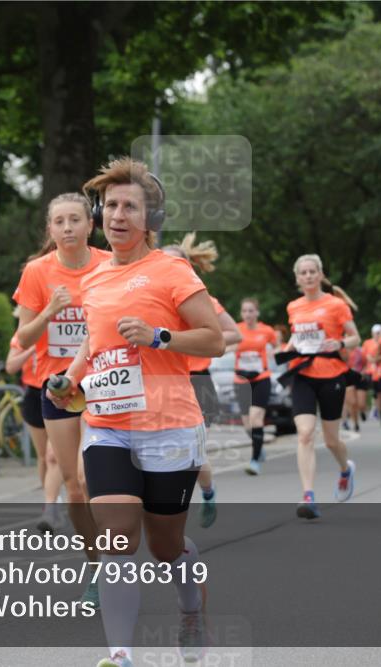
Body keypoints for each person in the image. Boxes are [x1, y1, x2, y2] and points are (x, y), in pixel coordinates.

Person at [50, 158, 223, 667]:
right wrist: (71, 379)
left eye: (131, 206)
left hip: (169, 426)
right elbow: (92, 340)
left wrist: (159, 337)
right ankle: (120, 655)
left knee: (166, 546)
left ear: (150, 219)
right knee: (117, 538)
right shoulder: (96, 278)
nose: (118, 216)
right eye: (112, 206)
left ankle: (191, 611)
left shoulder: (171, 270)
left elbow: (212, 339)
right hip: (108, 425)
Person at [14, 192, 110, 605]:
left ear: (90, 225)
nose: (67, 227)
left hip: (104, 382)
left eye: (75, 220)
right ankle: (95, 567)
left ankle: (114, 556)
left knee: (91, 480)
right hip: (55, 387)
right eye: (59, 221)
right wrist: (49, 311)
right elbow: (23, 339)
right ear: (50, 230)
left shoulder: (109, 265)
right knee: (74, 489)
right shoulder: (37, 272)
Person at [161, 235, 240, 526]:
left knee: (193, 453)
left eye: (174, 263)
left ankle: (207, 492)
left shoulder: (203, 300)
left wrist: (193, 341)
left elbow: (233, 334)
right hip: (163, 380)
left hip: (197, 381)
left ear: (187, 267)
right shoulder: (150, 299)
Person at [282, 254, 360, 520]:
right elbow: (299, 333)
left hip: (332, 375)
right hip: (303, 374)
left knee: (331, 440)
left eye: (312, 271)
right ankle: (308, 495)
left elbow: (355, 338)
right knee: (304, 434)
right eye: (303, 273)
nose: (308, 276)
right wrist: (289, 348)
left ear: (320, 274)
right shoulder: (293, 306)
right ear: (297, 278)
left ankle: (345, 469)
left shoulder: (336, 305)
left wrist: (339, 344)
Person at [6, 319, 64, 534]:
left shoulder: (62, 332)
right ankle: (52, 501)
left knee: (53, 456)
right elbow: (11, 365)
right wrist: (31, 350)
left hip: (58, 391)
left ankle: (50, 508)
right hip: (33, 394)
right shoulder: (27, 334)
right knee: (43, 457)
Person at [233, 297, 277, 474]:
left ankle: (254, 460)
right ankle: (258, 445)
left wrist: (276, 352)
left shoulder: (266, 330)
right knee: (246, 424)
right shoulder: (236, 330)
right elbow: (224, 345)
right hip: (241, 380)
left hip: (261, 378)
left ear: (257, 312)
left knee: (256, 418)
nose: (248, 314)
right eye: (245, 311)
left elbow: (277, 345)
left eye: (251, 311)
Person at [362, 323, 381, 426]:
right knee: (375, 392)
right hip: (370, 371)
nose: (377, 335)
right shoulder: (367, 343)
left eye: (379, 333)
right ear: (372, 333)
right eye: (376, 333)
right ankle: (374, 408)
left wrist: (376, 359)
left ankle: (379, 410)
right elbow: (365, 356)